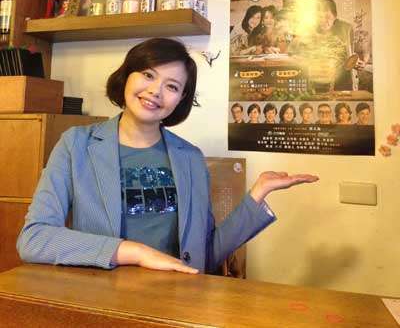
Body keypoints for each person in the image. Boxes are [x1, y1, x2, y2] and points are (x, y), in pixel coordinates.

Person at [17, 38, 318, 275]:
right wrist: (134, 252)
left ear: (181, 99)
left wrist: (257, 193)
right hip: (101, 298)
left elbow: (204, 254)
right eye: (148, 75)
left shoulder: (190, 158)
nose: (155, 91)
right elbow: (34, 238)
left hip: (174, 299)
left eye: (172, 86)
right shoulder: (76, 145)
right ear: (127, 75)